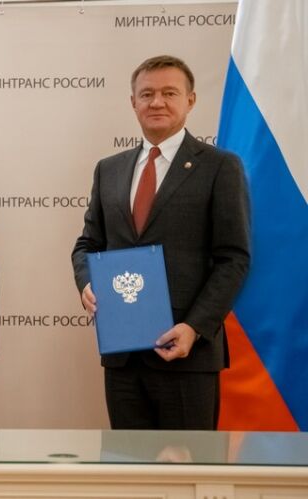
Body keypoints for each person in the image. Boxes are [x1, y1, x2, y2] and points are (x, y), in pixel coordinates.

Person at [71, 55, 250, 430]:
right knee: (127, 462)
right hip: (122, 356)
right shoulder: (109, 169)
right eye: (147, 94)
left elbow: (233, 259)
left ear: (191, 100)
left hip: (187, 354)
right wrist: (87, 282)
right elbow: (87, 244)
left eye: (169, 93)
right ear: (132, 102)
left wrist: (194, 327)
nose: (157, 102)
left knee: (188, 462)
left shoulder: (220, 166)